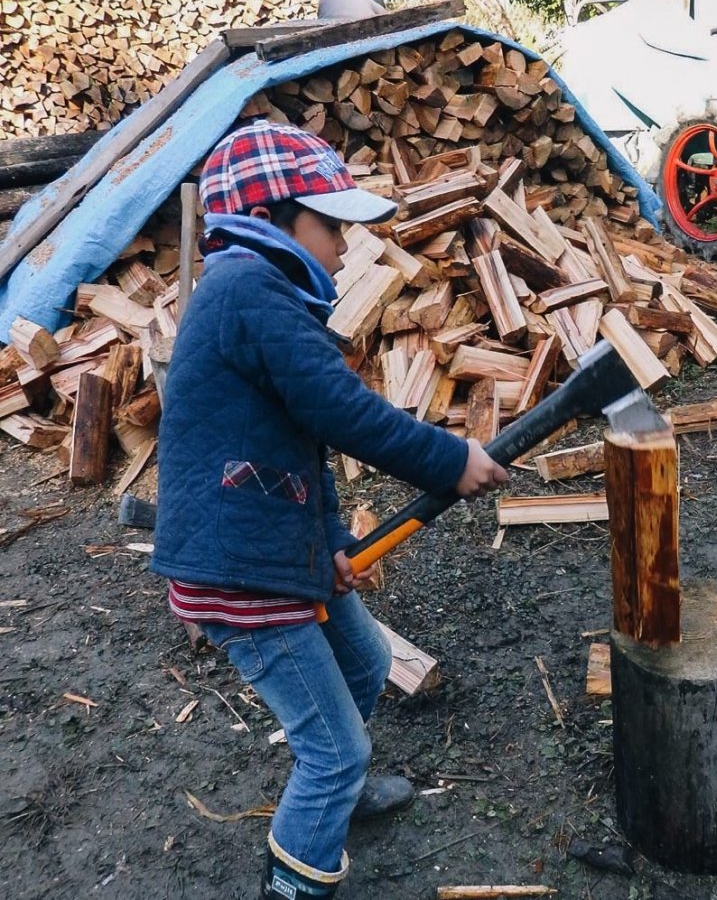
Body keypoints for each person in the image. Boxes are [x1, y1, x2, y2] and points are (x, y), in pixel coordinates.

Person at [151, 121, 507, 899]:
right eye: (332, 224)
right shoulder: (247, 288)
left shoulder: (260, 293)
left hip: (270, 543)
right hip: (240, 571)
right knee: (334, 749)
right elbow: (340, 408)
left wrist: (334, 535)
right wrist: (451, 458)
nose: (347, 246)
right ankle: (297, 876)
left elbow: (299, 441)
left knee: (368, 664)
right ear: (272, 217)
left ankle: (335, 794)